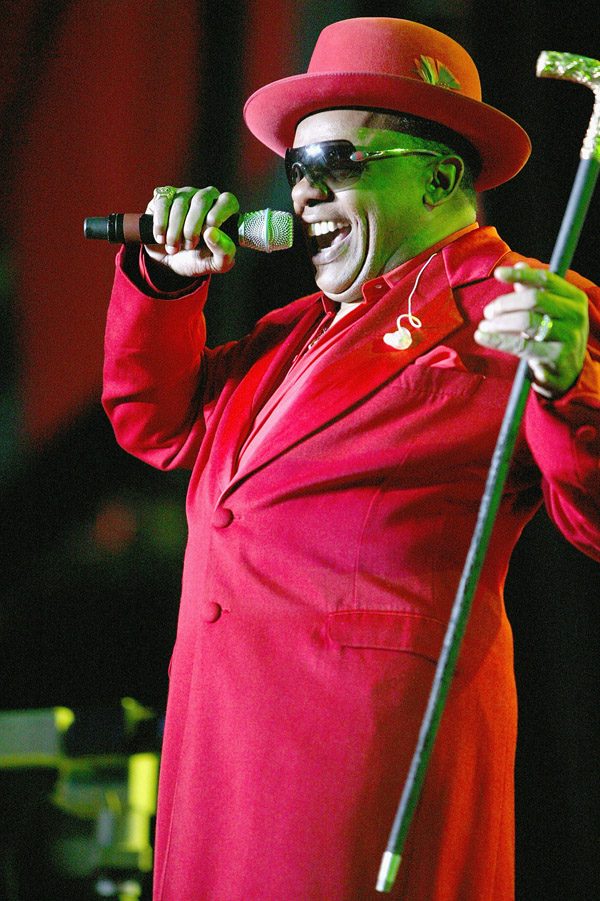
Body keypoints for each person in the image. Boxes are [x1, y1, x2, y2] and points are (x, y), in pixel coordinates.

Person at [102, 17, 600, 901]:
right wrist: (168, 283)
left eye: (336, 164)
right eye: (296, 170)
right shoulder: (292, 334)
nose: (302, 196)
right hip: (219, 762)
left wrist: (567, 383)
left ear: (444, 175)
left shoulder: (523, 305)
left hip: (351, 774)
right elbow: (155, 425)